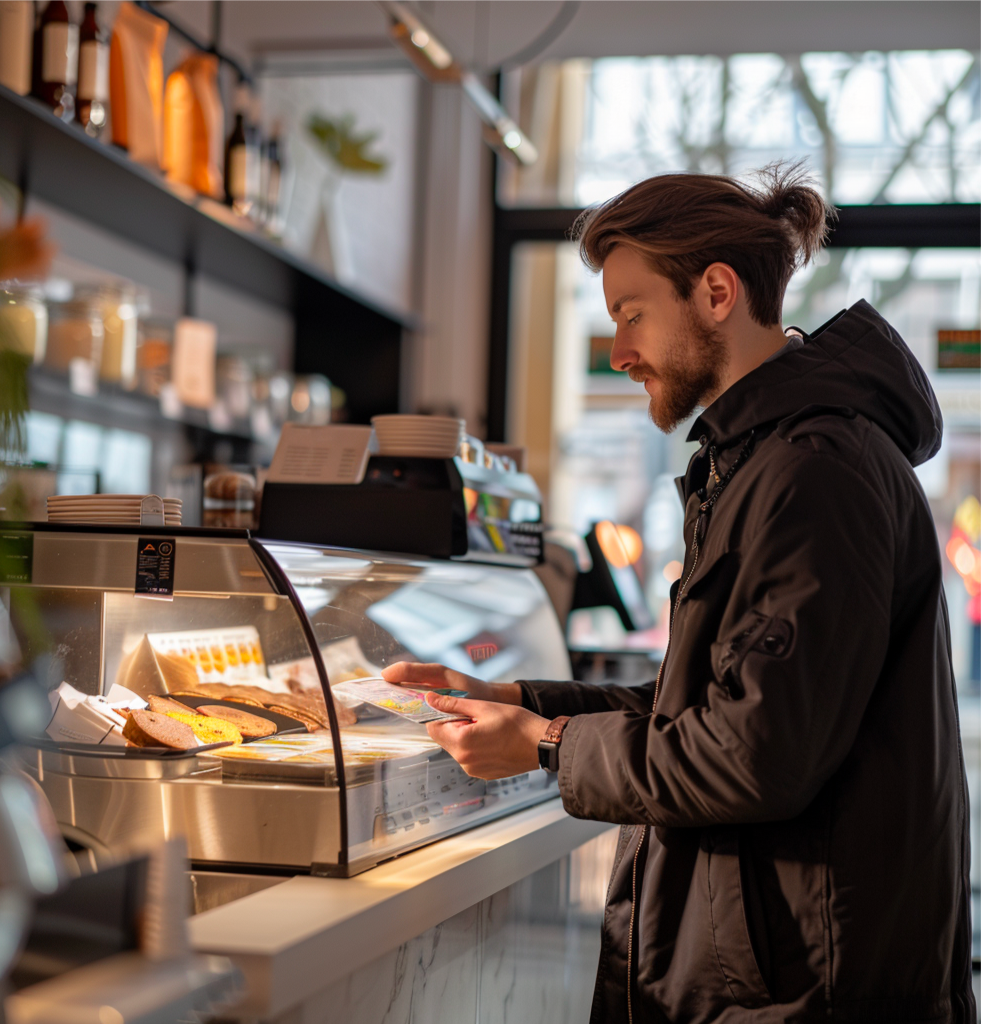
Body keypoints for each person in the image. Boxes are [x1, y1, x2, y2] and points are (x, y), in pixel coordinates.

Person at [382, 164, 976, 1023]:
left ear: (716, 292)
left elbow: (752, 754)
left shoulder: (814, 473)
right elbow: (702, 704)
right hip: (779, 972)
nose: (619, 350)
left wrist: (546, 742)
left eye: (630, 314)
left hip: (808, 989)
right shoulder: (761, 461)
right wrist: (514, 698)